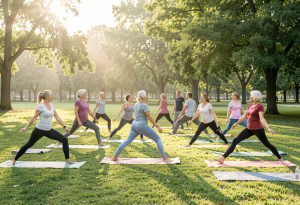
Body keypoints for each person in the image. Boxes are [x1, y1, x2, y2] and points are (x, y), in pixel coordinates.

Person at [214, 90, 283, 164]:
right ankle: (223, 158)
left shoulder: (260, 107)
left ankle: (280, 158)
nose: (250, 96)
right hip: (249, 129)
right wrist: (236, 123)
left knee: (267, 144)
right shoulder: (250, 106)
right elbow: (244, 116)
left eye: (251, 95)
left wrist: (268, 128)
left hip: (258, 129)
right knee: (235, 141)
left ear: (255, 97)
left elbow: (262, 118)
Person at [8, 90, 75, 166]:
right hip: (39, 130)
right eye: (51, 95)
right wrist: (25, 127)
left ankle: (67, 160)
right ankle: (13, 161)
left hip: (48, 130)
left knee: (64, 139)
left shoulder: (52, 106)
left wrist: (65, 127)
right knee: (28, 144)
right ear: (47, 97)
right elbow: (34, 118)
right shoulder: (40, 106)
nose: (52, 96)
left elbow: (57, 117)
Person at [111, 90, 170, 161]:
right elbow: (150, 118)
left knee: (127, 141)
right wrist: (158, 127)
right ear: (145, 97)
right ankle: (164, 157)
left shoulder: (135, 104)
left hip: (134, 126)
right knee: (157, 139)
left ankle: (114, 157)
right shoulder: (145, 106)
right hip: (142, 126)